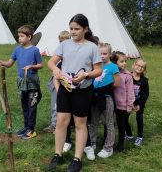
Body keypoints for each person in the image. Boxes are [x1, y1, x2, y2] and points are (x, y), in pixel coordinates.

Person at [47, 14, 102, 172]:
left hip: (83, 90)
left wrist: (85, 75)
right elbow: (51, 62)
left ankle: (77, 159)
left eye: (77, 29)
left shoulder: (92, 47)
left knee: (80, 123)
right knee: (61, 122)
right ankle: (57, 155)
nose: (73, 32)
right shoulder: (64, 44)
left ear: (85, 29)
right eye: (71, 28)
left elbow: (98, 70)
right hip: (65, 87)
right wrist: (56, 69)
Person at [0, 25, 43, 140]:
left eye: (22, 36)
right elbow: (10, 63)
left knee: (32, 106)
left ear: (29, 37)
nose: (19, 38)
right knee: (25, 106)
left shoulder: (35, 50)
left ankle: (31, 129)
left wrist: (31, 66)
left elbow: (41, 65)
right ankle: (26, 127)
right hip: (22, 83)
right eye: (19, 36)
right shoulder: (17, 49)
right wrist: (2, 62)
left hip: (32, 83)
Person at [87, 42, 120, 159]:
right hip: (95, 98)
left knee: (109, 122)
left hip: (107, 98)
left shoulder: (113, 67)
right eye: (100, 53)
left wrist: (105, 88)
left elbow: (117, 83)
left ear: (110, 54)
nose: (102, 56)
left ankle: (108, 147)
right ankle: (92, 143)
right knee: (93, 121)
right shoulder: (96, 66)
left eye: (105, 53)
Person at [43, 31, 71, 133]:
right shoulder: (58, 53)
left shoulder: (71, 54)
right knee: (55, 105)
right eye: (60, 41)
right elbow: (51, 64)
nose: (62, 44)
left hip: (67, 83)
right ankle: (55, 124)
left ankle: (64, 125)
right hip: (56, 83)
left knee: (66, 106)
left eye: (64, 42)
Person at [111, 51, 135, 152]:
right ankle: (107, 141)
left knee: (121, 124)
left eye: (125, 61)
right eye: (121, 61)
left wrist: (130, 105)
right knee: (114, 122)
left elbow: (130, 92)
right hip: (112, 103)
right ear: (115, 62)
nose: (124, 63)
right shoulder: (110, 72)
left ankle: (121, 144)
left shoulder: (128, 76)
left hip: (122, 105)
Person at [125, 58, 149, 146]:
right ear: (134, 65)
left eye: (142, 67)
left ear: (144, 69)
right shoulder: (128, 76)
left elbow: (145, 94)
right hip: (128, 102)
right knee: (124, 118)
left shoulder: (144, 81)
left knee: (139, 118)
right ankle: (129, 134)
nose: (140, 68)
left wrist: (140, 104)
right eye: (138, 65)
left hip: (139, 102)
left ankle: (140, 137)